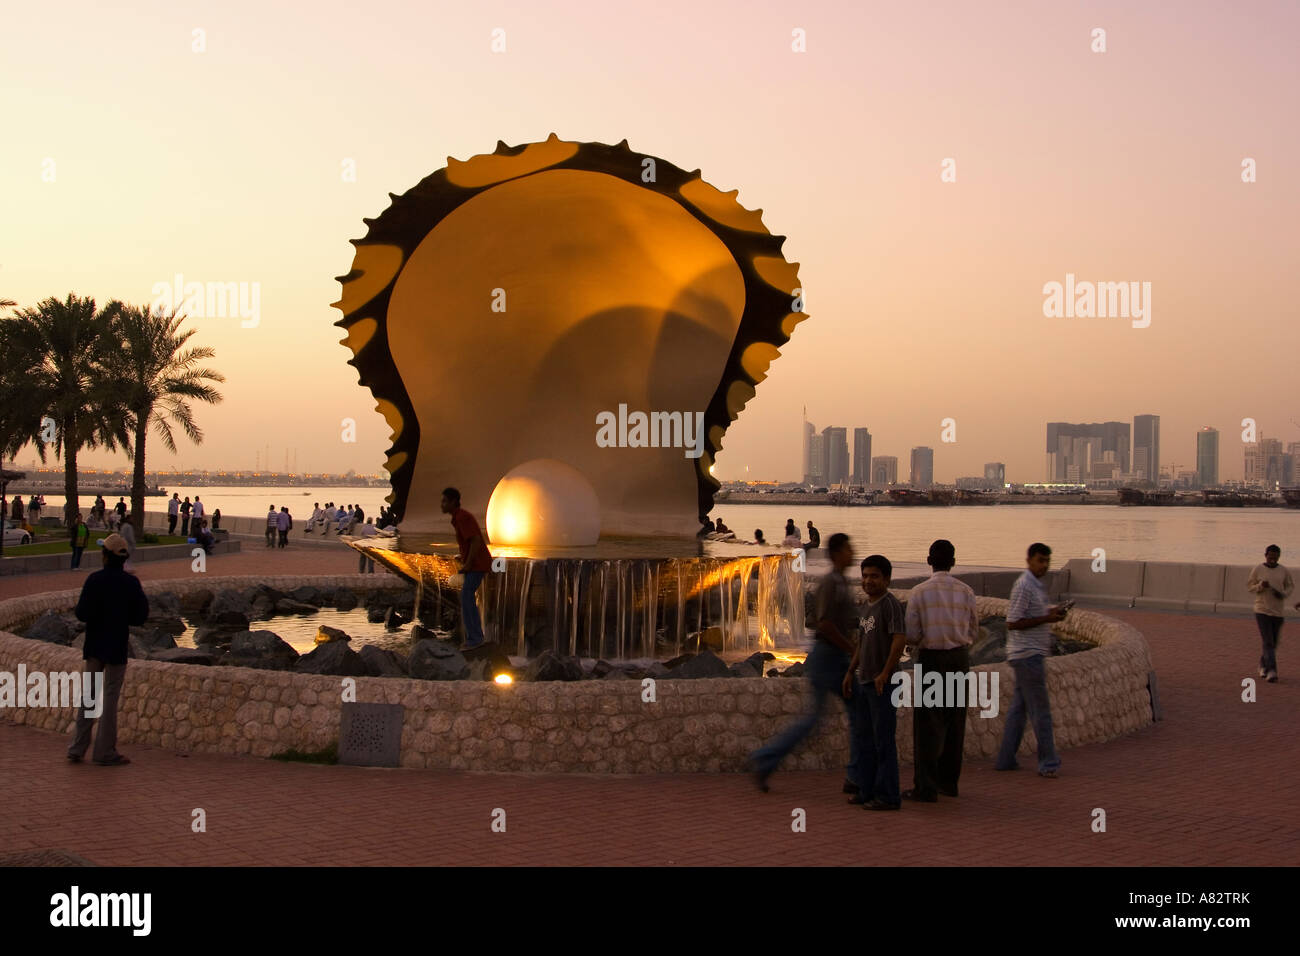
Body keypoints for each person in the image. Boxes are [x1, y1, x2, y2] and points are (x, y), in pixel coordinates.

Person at [751, 533, 859, 792]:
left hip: (837, 656)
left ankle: (855, 775)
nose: (851, 553)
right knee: (825, 717)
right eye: (847, 549)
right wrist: (852, 648)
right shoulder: (831, 584)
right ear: (836, 554)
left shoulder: (841, 582)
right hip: (828, 656)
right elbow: (824, 623)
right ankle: (765, 758)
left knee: (849, 714)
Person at [902, 539, 978, 802]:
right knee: (954, 722)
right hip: (959, 659)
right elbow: (973, 630)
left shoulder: (919, 592)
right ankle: (949, 782)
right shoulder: (966, 591)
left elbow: (911, 634)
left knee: (927, 724)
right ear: (954, 562)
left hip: (931, 659)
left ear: (928, 561)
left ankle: (926, 786)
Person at [67, 532, 148, 766]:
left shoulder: (94, 580)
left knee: (89, 697)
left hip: (94, 646)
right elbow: (141, 616)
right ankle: (104, 751)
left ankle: (77, 747)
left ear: (105, 557)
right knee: (110, 700)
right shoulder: (131, 583)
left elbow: (81, 613)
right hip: (117, 647)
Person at [995, 543, 1066, 777]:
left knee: (1019, 710)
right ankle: (1049, 763)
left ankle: (1005, 759)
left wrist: (1050, 614)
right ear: (1029, 560)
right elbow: (1013, 622)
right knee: (1041, 711)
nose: (1044, 565)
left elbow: (1033, 616)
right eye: (1040, 561)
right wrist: (1047, 618)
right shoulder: (1024, 586)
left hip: (1029, 654)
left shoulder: (1036, 586)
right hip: (1027, 656)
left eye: (1047, 561)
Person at [843, 554, 907, 810]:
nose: (868, 581)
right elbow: (861, 642)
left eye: (874, 576)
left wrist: (885, 673)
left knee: (883, 742)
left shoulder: (889, 605)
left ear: (887, 579)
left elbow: (899, 640)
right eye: (865, 576)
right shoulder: (867, 606)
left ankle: (889, 795)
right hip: (865, 681)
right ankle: (866, 790)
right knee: (865, 740)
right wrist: (851, 672)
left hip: (884, 684)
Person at [441, 487, 493, 650]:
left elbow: (476, 541)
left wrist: (469, 563)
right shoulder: (458, 518)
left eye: (444, 501)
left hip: (478, 564)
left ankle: (475, 638)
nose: (441, 505)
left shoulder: (462, 517)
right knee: (467, 597)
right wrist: (463, 558)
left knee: (467, 597)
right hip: (476, 563)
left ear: (453, 502)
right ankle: (474, 637)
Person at [1247, 545, 1293, 683]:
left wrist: (1283, 594)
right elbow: (1250, 587)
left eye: (1275, 557)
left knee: (1273, 642)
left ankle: (1263, 665)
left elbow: (1290, 586)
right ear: (1265, 555)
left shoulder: (1283, 571)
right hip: (1262, 610)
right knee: (1268, 641)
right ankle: (1272, 670)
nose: (1272, 559)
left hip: (1277, 612)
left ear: (1279, 556)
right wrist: (1260, 585)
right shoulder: (1258, 569)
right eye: (1270, 556)